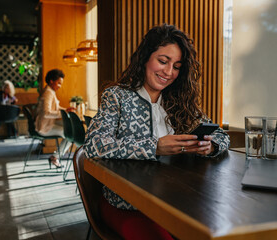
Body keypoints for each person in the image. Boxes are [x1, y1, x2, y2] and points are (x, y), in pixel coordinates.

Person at [83, 24, 230, 240]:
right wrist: (155, 146)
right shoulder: (116, 97)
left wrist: (211, 145)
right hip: (127, 206)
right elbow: (93, 145)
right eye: (163, 61)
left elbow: (221, 135)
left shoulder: (180, 102)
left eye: (177, 66)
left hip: (175, 204)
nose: (169, 72)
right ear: (145, 57)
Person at [35, 69, 75, 168]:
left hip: (48, 124)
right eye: (59, 83)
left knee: (71, 128)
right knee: (71, 134)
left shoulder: (50, 90)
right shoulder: (48, 92)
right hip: (44, 127)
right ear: (51, 81)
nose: (60, 86)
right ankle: (55, 157)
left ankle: (56, 156)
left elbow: (55, 108)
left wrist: (66, 110)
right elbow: (46, 113)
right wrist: (63, 114)